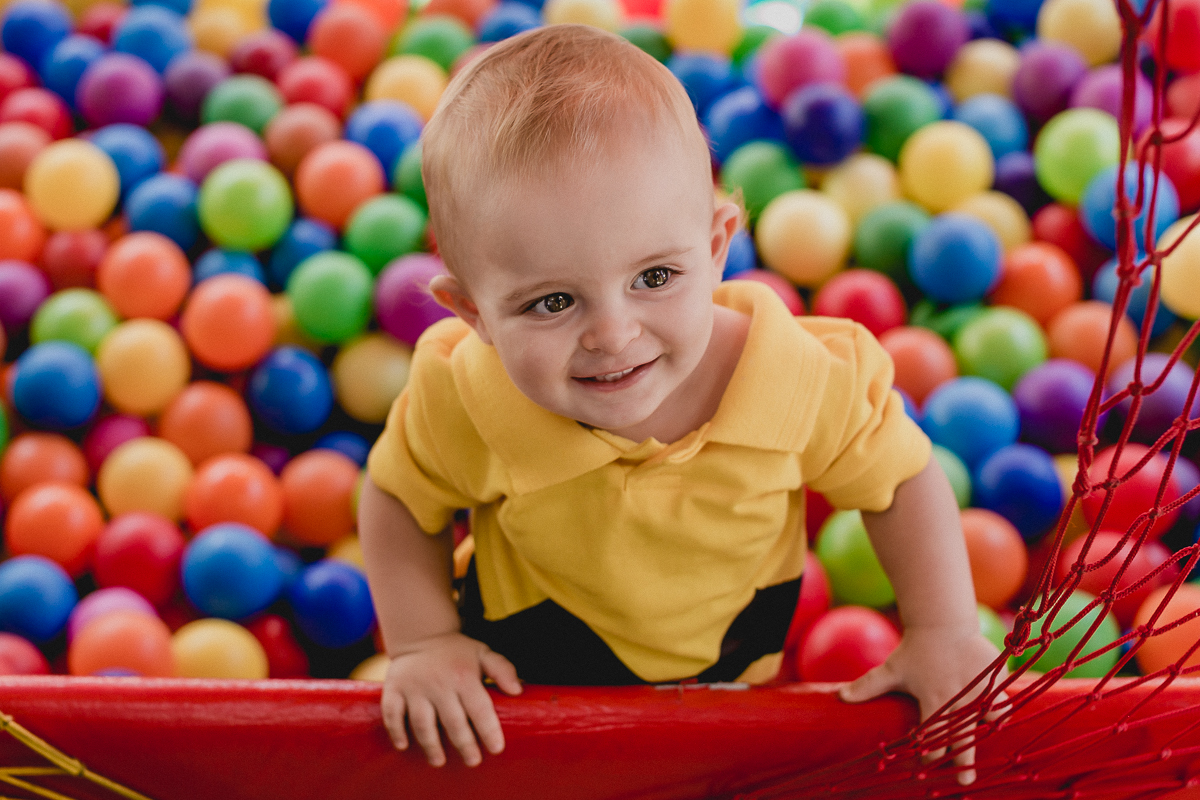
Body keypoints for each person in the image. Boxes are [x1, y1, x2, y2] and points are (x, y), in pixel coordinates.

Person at [359, 22, 1001, 784]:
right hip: (525, 683)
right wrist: (426, 643)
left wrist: (943, 628)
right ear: (472, 314)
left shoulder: (796, 378)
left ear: (718, 242)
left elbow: (899, 480)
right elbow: (399, 500)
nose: (613, 334)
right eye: (553, 301)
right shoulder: (467, 394)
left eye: (655, 278)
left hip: (728, 673)